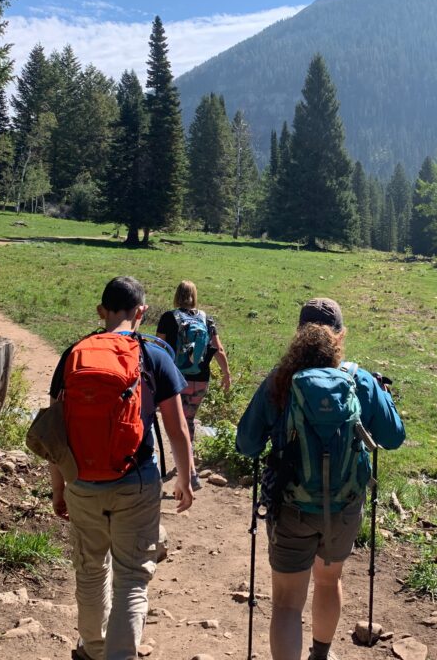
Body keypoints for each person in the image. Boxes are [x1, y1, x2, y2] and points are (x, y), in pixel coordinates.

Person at [236, 298, 404, 660]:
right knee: (330, 582)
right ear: (341, 336)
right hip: (344, 506)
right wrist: (383, 397)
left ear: (299, 335)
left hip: (292, 507)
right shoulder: (360, 380)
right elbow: (393, 438)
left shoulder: (279, 381)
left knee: (285, 603)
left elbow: (246, 444)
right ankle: (321, 655)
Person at [49, 276, 195, 660]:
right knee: (131, 579)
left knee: (90, 569)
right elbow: (177, 429)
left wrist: (59, 487)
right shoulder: (155, 356)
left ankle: (92, 650)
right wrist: (185, 478)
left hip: (81, 480)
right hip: (137, 480)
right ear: (141, 313)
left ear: (101, 311)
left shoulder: (73, 354)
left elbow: (54, 429)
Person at [156, 280, 231, 490]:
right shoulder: (207, 319)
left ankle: (189, 473)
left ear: (177, 295)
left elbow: (158, 347)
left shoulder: (168, 318)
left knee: (179, 425)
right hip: (200, 379)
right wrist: (226, 374)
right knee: (188, 421)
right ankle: (187, 467)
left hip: (175, 379)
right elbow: (219, 349)